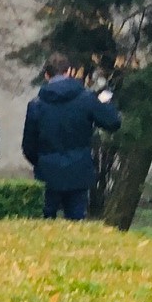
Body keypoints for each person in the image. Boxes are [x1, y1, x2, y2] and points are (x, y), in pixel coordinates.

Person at [21, 52, 121, 220]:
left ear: (46, 75)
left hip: (48, 172)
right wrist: (106, 102)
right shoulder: (86, 99)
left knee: (46, 223)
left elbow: (28, 146)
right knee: (76, 221)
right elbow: (113, 123)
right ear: (69, 72)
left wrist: (43, 162)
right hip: (78, 170)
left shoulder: (36, 105)